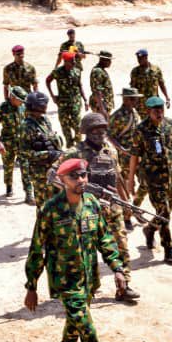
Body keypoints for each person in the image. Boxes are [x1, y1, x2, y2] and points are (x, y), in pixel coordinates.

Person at [24, 157, 125, 342]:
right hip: (66, 280)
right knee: (86, 328)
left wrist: (117, 268)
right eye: (74, 176)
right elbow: (37, 248)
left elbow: (104, 239)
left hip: (88, 278)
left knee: (74, 323)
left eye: (83, 175)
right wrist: (31, 286)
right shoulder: (50, 209)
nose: (81, 180)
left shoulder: (91, 203)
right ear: (62, 180)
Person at [60, 113, 139, 302]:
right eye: (94, 130)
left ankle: (124, 286)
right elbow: (55, 175)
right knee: (84, 251)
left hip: (112, 208)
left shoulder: (110, 151)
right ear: (86, 132)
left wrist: (126, 202)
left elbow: (117, 177)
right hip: (86, 210)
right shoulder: (74, 153)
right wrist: (78, 191)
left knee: (121, 247)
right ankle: (82, 289)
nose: (100, 133)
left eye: (102, 129)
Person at [125, 96, 172, 266]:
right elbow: (134, 155)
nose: (159, 113)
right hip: (152, 178)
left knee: (165, 211)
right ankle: (168, 250)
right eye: (155, 111)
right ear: (148, 111)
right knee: (164, 211)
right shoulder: (141, 130)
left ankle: (150, 228)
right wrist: (131, 179)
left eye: (161, 110)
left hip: (169, 175)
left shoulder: (169, 124)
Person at [109, 86, 146, 231]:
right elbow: (110, 135)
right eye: (132, 99)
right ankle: (127, 216)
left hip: (138, 155)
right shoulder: (117, 116)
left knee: (142, 183)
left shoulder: (135, 113)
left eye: (136, 99)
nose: (135, 102)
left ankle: (135, 209)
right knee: (124, 187)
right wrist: (121, 149)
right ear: (125, 99)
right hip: (125, 158)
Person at [20, 91, 63, 210]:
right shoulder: (26, 126)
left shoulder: (45, 121)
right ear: (35, 106)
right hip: (40, 173)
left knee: (57, 203)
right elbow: (24, 153)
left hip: (53, 169)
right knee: (43, 207)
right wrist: (47, 154)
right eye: (43, 104)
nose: (45, 106)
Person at [0, 86, 33, 203]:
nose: (21, 102)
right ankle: (8, 186)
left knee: (26, 167)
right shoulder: (1, 108)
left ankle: (28, 194)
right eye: (20, 100)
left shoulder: (23, 107)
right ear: (12, 97)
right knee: (8, 167)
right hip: (7, 143)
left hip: (22, 143)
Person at [46, 52, 87, 146]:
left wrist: (85, 100)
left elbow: (80, 85)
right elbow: (48, 81)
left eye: (74, 61)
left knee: (77, 126)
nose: (74, 63)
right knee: (65, 126)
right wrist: (52, 96)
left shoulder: (77, 71)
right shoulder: (57, 72)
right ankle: (69, 145)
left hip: (75, 103)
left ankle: (78, 145)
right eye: (71, 61)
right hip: (63, 104)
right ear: (65, 61)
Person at [129, 48, 170, 119]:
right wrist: (132, 102)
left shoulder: (156, 69)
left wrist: (167, 97)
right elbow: (133, 88)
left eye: (141, 58)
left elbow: (161, 84)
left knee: (157, 120)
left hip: (155, 102)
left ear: (146, 57)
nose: (139, 60)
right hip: (142, 104)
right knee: (145, 122)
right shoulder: (135, 71)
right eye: (138, 58)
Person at [90, 51, 115, 116]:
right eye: (109, 60)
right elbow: (97, 91)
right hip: (101, 106)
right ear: (102, 60)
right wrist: (102, 109)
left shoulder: (101, 70)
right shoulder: (98, 71)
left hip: (104, 105)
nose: (110, 62)